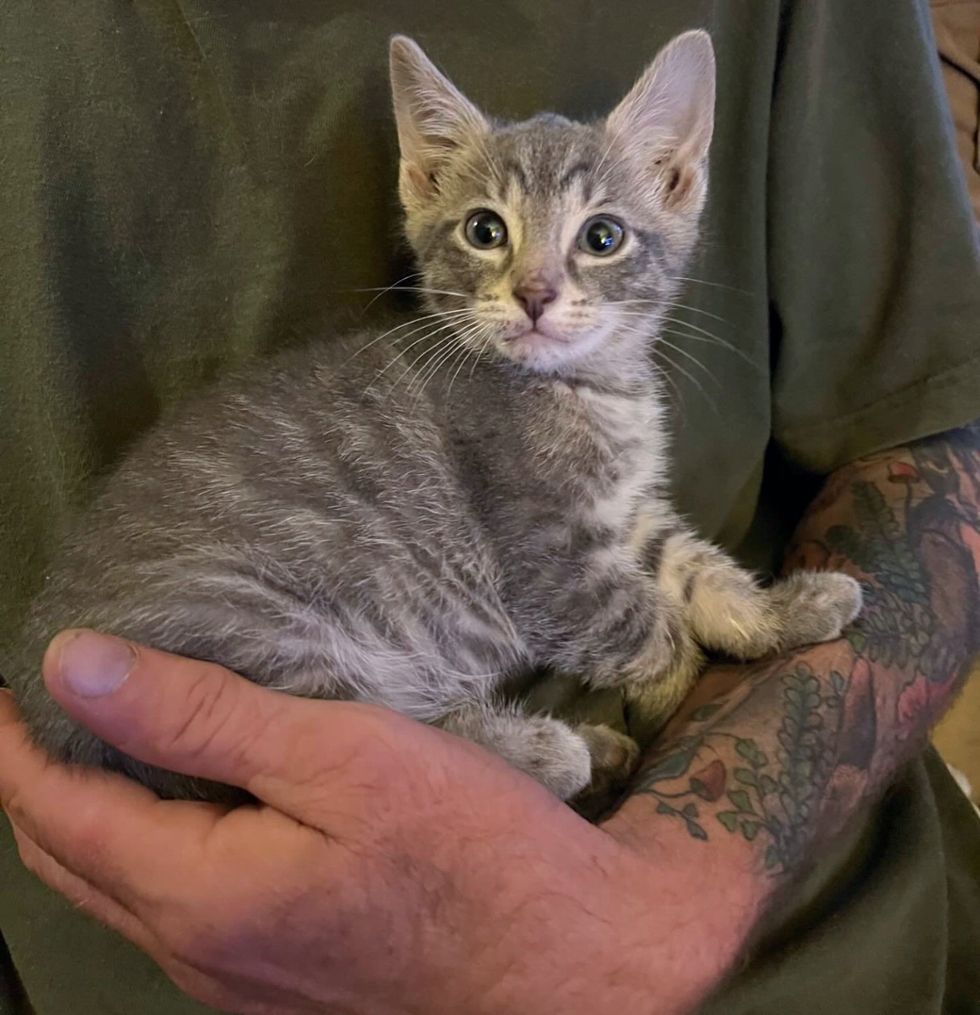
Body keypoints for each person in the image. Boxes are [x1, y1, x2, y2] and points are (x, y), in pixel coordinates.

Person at [1, 1, 978, 1012]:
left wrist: (750, 624)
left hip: (798, 952)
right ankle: (476, 737)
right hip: (160, 806)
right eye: (487, 232)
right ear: (421, 184)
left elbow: (657, 524)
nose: (535, 288)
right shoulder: (482, 398)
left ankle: (479, 737)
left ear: (676, 185)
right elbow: (569, 584)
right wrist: (665, 658)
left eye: (598, 238)